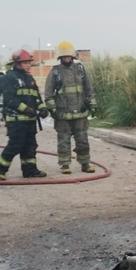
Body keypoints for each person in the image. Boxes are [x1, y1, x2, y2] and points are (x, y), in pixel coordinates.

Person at [0, 49, 49, 181]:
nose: (28, 65)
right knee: (15, 145)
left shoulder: (29, 78)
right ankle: (0, 169)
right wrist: (26, 109)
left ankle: (30, 170)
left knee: (30, 145)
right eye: (25, 62)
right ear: (16, 63)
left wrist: (42, 108)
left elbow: (36, 97)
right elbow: (9, 99)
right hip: (15, 120)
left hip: (30, 120)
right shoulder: (8, 78)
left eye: (29, 62)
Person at [44, 41, 97, 174]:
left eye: (68, 56)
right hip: (63, 114)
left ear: (72, 57)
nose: (66, 59)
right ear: (60, 58)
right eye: (64, 57)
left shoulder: (80, 69)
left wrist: (93, 104)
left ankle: (85, 163)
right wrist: (52, 108)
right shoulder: (55, 72)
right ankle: (65, 164)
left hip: (80, 113)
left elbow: (89, 88)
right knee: (63, 140)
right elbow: (48, 93)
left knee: (82, 140)